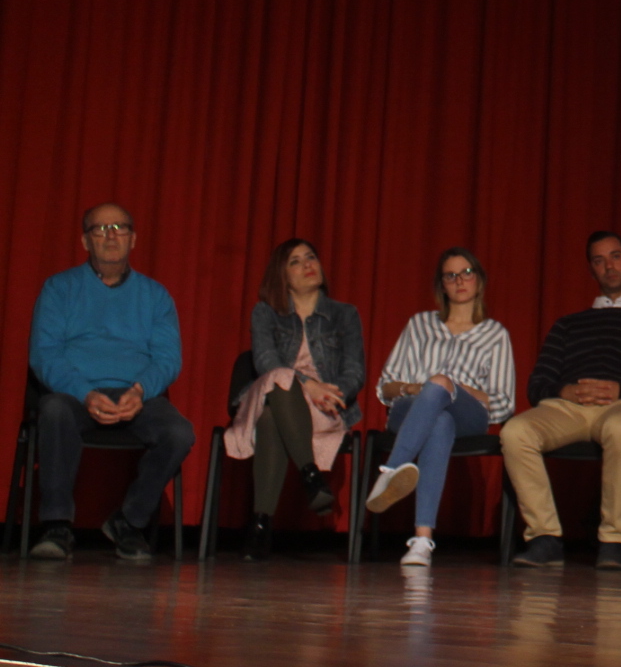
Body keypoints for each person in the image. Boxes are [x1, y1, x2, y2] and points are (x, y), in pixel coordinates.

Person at [26, 203, 195, 560]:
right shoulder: (59, 288)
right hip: (76, 393)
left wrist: (140, 390)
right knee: (53, 410)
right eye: (100, 229)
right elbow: (45, 354)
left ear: (134, 239)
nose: (111, 235)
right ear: (85, 241)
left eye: (120, 228)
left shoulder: (156, 296)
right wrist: (84, 393)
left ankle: (127, 521)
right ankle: (57, 525)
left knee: (179, 432)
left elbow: (168, 359)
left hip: (135, 395)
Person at [503, 231, 621, 570]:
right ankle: (545, 538)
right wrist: (565, 391)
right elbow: (537, 386)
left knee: (620, 427)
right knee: (515, 432)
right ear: (591, 270)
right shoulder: (567, 325)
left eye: (615, 256)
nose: (608, 266)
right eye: (599, 260)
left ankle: (613, 542)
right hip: (568, 407)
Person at [365, 247, 516, 566]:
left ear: (479, 280)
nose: (460, 280)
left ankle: (391, 470)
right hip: (412, 408)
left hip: (468, 415)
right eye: (451, 275)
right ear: (442, 285)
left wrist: (453, 388)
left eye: (467, 273)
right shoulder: (419, 325)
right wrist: (415, 389)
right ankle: (422, 541)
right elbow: (385, 386)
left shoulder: (495, 334)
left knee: (441, 386)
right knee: (439, 421)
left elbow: (503, 402)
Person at [224, 238, 366, 559]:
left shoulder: (345, 314)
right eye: (295, 261)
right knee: (281, 380)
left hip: (323, 406)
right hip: (269, 393)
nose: (307, 265)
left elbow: (355, 371)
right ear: (283, 275)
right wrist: (308, 384)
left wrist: (330, 394)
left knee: (271, 418)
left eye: (311, 257)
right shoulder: (265, 312)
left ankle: (260, 525)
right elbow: (266, 361)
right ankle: (310, 475)